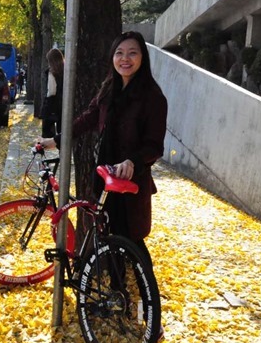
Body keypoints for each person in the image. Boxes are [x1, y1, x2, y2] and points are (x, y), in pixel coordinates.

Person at [39, 31, 168, 274]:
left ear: (143, 57)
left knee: (132, 241)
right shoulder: (110, 87)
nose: (125, 59)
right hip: (105, 176)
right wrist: (57, 140)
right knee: (106, 236)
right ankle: (115, 293)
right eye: (119, 53)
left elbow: (155, 146)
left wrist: (133, 161)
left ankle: (144, 303)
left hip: (131, 182)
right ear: (112, 57)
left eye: (132, 53)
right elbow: (88, 118)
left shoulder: (152, 97)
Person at [40, 48, 65, 137]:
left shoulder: (52, 72)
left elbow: (52, 91)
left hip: (53, 105)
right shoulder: (66, 70)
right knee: (62, 130)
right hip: (64, 105)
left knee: (47, 130)